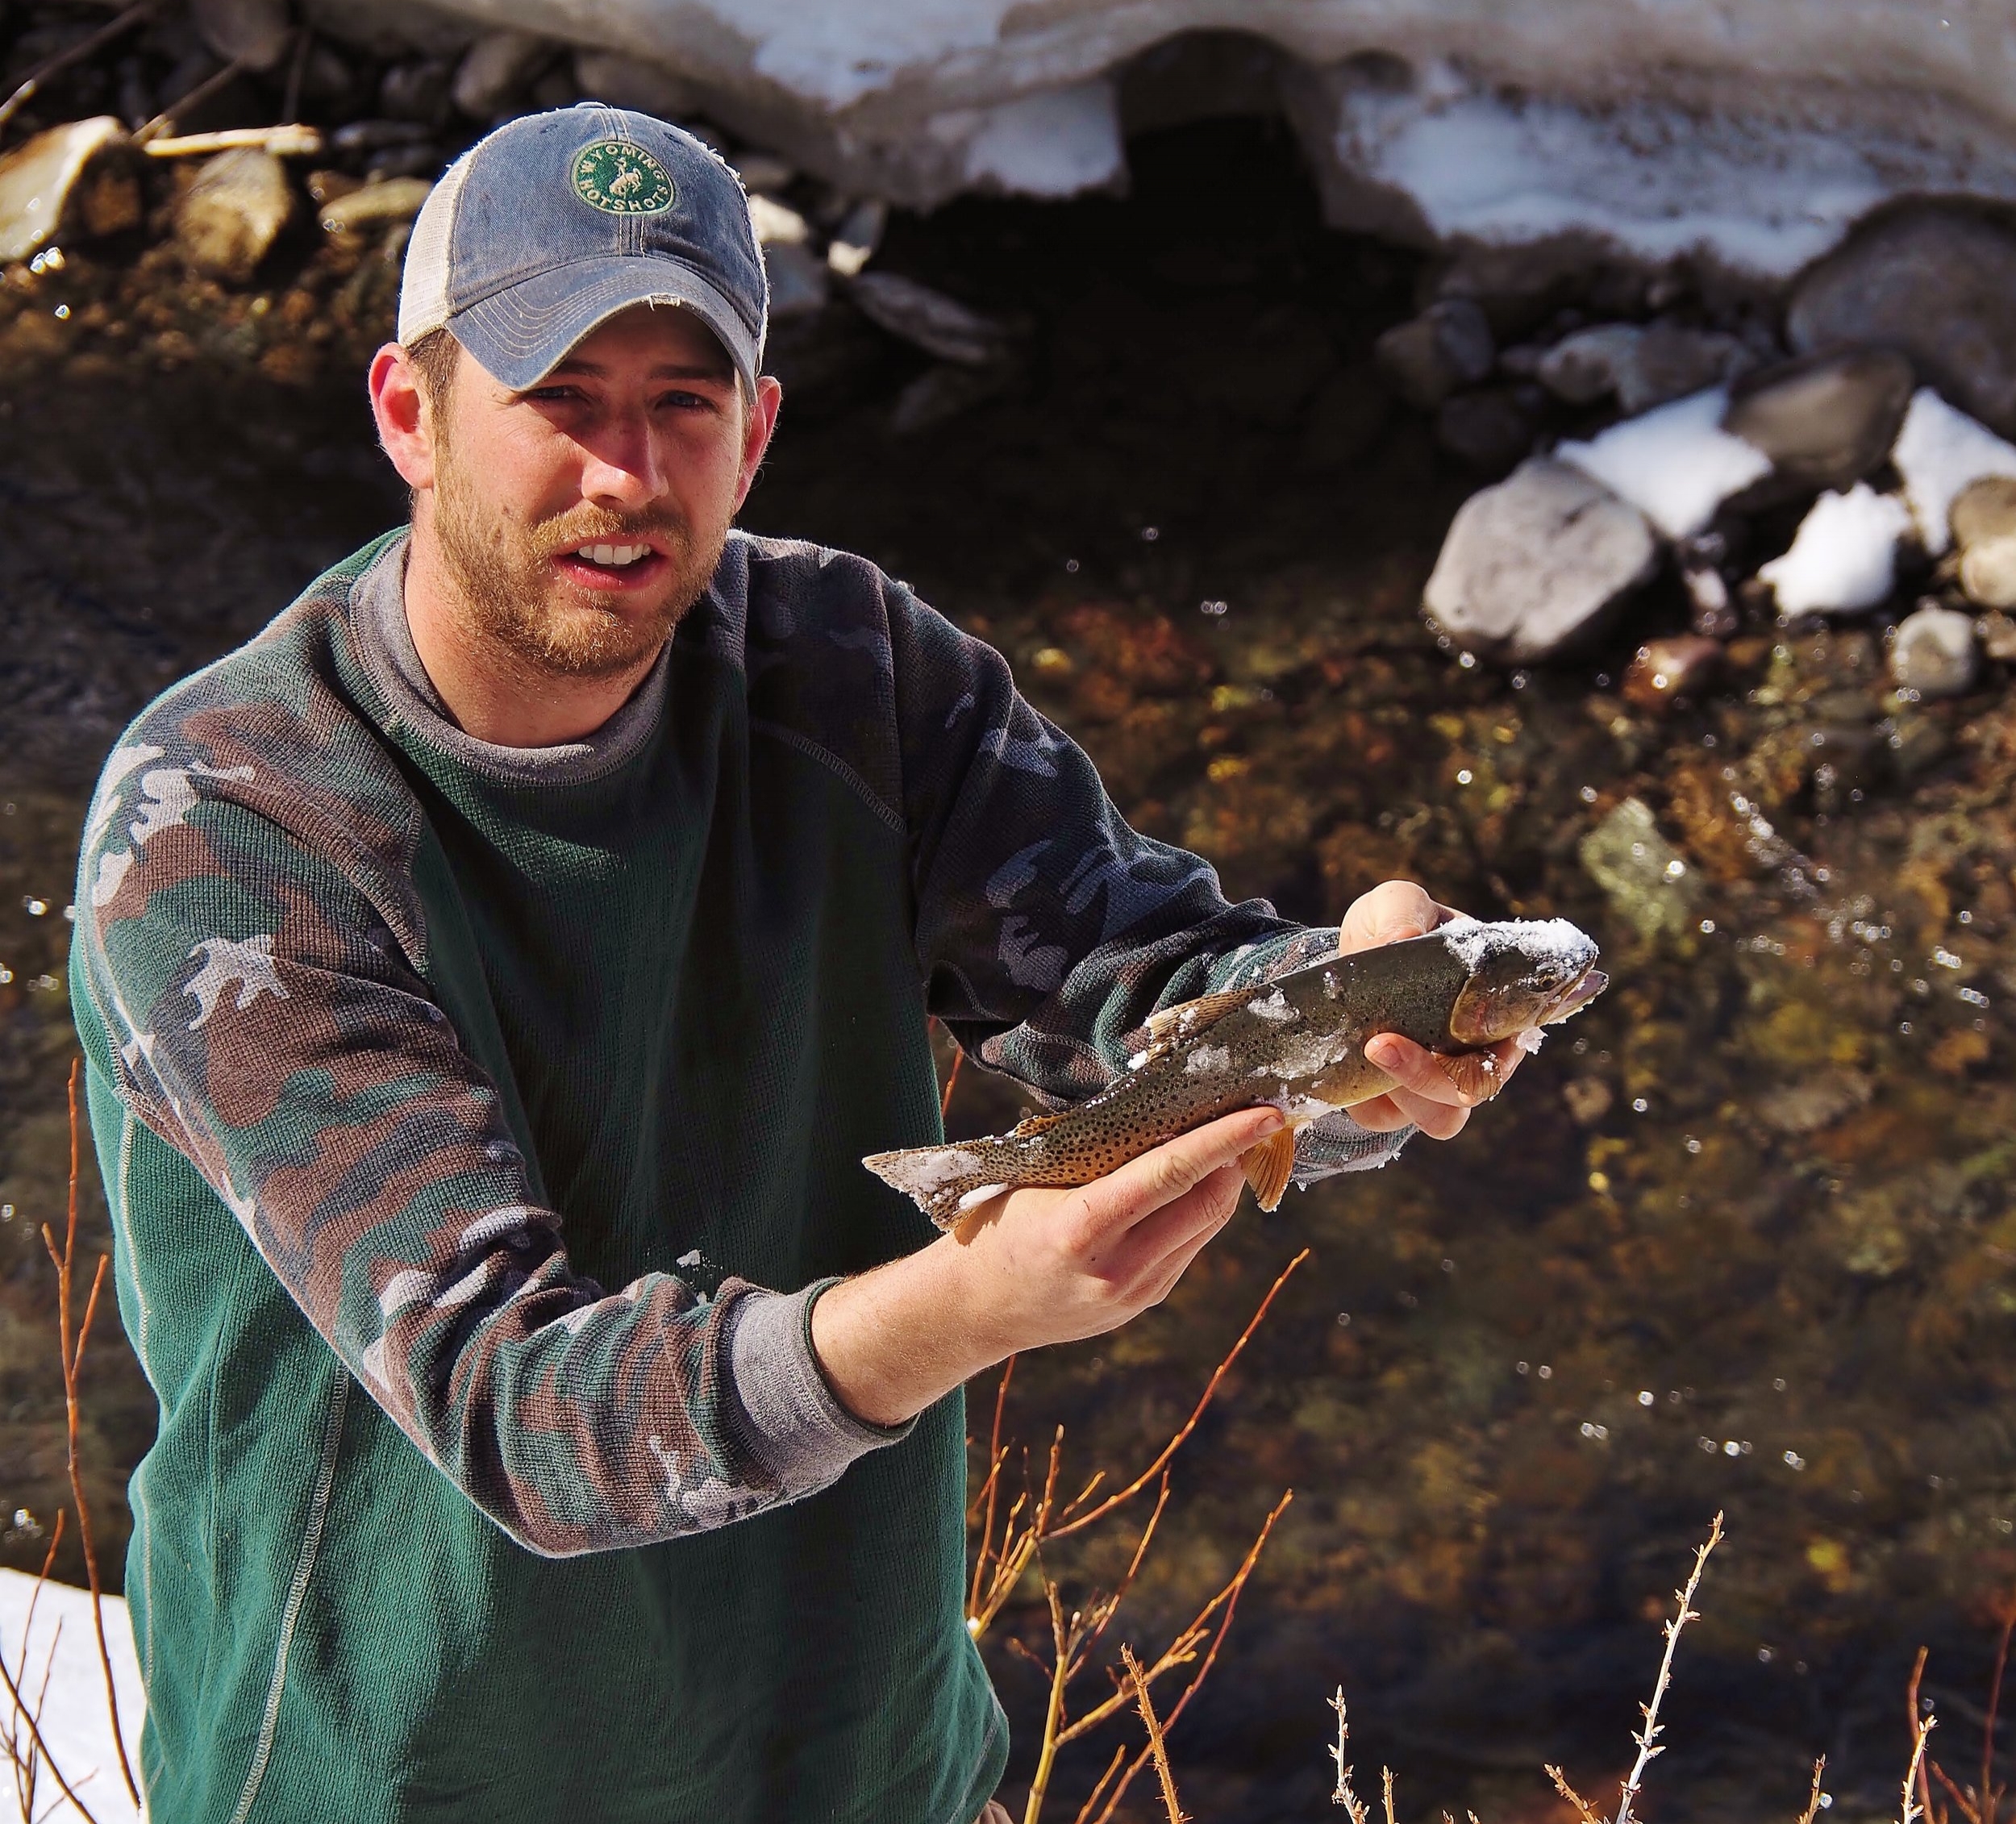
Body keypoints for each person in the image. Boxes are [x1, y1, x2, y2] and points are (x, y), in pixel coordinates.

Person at [69, 105, 1529, 1823]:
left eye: (682, 406)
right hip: (398, 1779)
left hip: (852, 1761)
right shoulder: (226, 828)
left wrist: (1357, 1038)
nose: (625, 476)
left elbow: (1153, 1005)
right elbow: (516, 1408)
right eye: (560, 400)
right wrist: (972, 1310)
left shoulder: (854, 673)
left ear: (754, 434)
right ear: (411, 412)